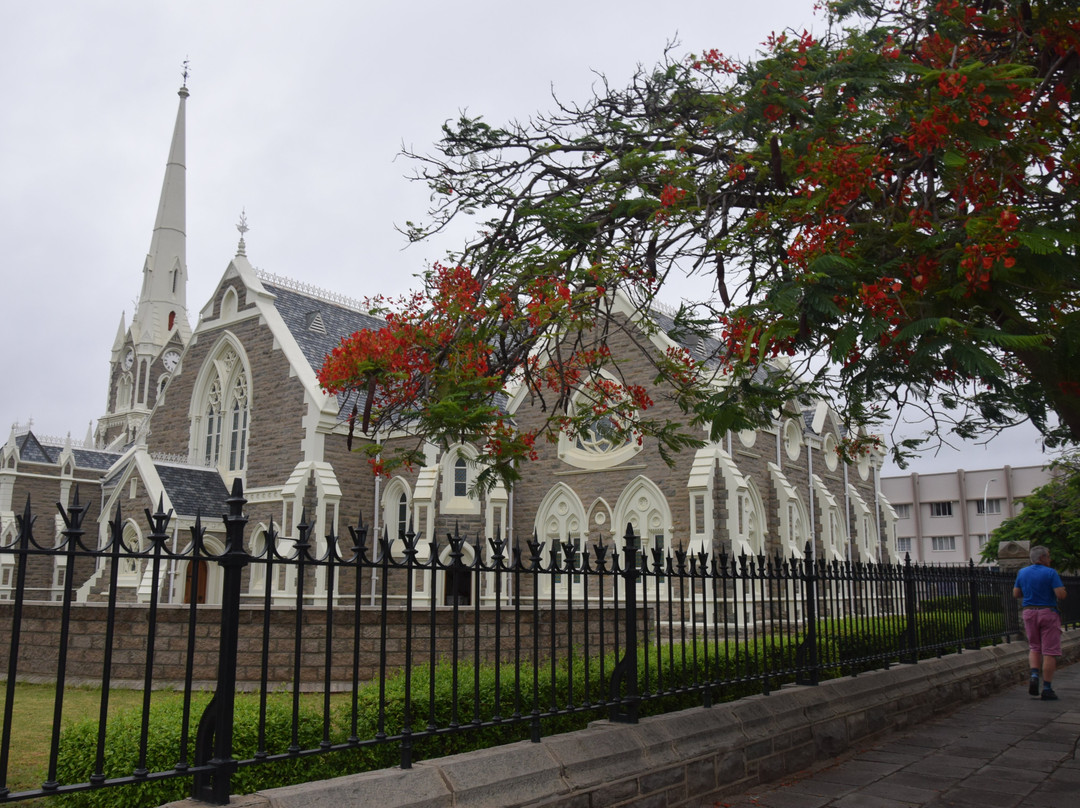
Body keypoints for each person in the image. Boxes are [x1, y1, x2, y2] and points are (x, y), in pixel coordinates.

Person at [1013, 545, 1067, 700]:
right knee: (1050, 651)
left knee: (1034, 647)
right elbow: (1060, 594)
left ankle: (1034, 675)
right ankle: (1047, 689)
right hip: (1047, 612)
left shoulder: (1022, 572)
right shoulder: (1051, 573)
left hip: (1029, 612)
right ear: (1042, 558)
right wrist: (1062, 591)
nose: (1050, 559)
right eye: (1048, 556)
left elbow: (1016, 593)